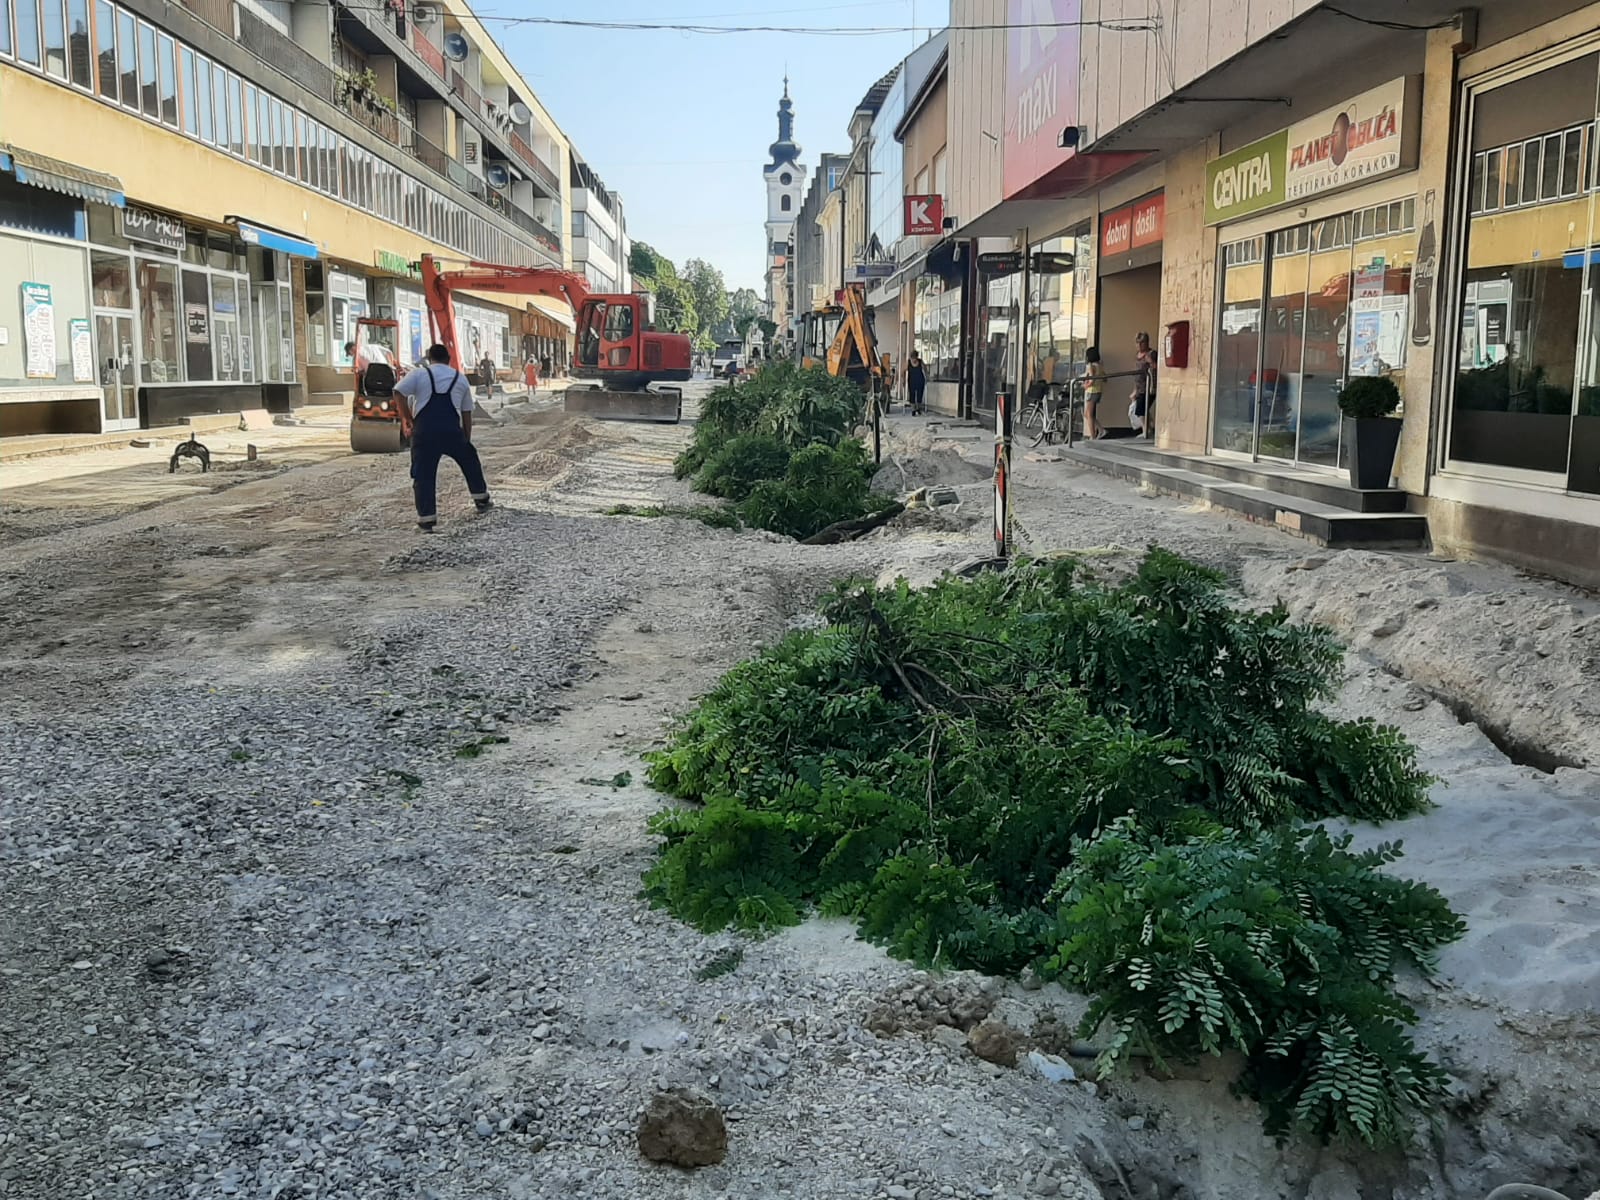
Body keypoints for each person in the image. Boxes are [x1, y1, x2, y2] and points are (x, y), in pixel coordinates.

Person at [394, 344, 492, 533]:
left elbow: (398, 392)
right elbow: (466, 413)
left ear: (429, 359)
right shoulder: (460, 379)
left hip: (424, 433)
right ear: (449, 359)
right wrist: (466, 440)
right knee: (470, 460)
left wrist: (407, 419)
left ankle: (426, 520)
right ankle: (481, 499)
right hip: (450, 431)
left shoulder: (419, 374)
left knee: (423, 474)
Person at [1131, 332, 1158, 438]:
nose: (1139, 345)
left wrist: (1151, 362)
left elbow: (1158, 368)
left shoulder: (1151, 354)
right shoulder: (1137, 355)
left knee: (1140, 409)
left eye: (1142, 343)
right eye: (1137, 343)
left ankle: (1146, 430)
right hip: (1139, 386)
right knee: (1142, 409)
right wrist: (1134, 390)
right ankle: (1148, 427)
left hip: (1149, 386)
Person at [1083, 346, 1105, 439]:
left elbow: (1092, 379)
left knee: (1089, 414)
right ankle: (1101, 430)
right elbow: (1104, 377)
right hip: (1098, 391)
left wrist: (1085, 386)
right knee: (1087, 414)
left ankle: (1092, 436)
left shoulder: (1090, 366)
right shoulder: (1100, 365)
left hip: (1091, 391)